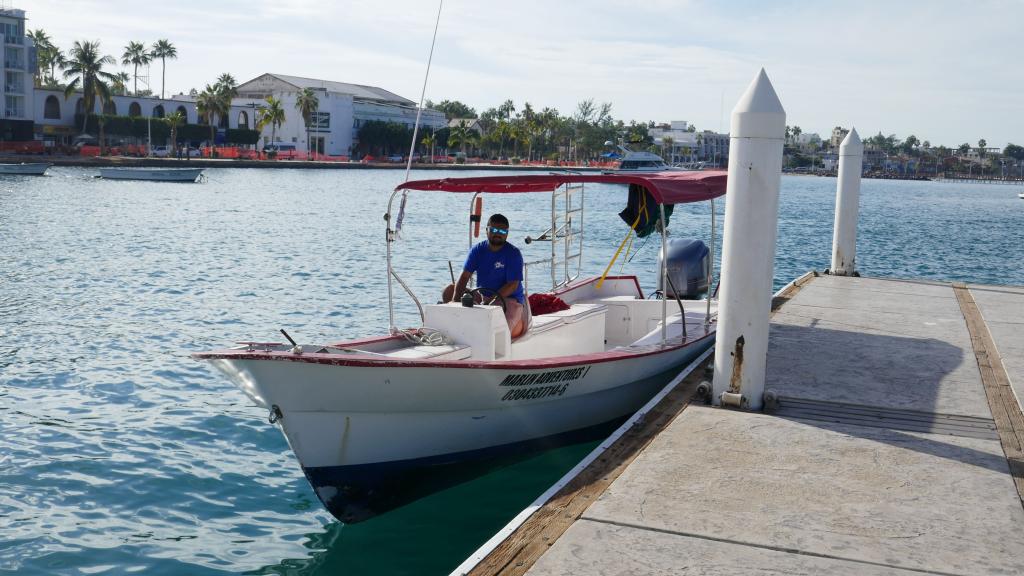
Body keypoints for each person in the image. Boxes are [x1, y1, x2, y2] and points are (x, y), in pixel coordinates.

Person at [443, 214, 528, 338]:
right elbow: (464, 277)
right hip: (482, 295)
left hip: (509, 300)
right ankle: (450, 329)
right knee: (448, 290)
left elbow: (512, 285)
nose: (497, 234)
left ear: (507, 233)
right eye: (493, 230)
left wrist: (491, 301)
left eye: (502, 231)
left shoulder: (513, 253)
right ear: (486, 230)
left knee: (498, 335)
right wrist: (455, 301)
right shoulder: (477, 250)